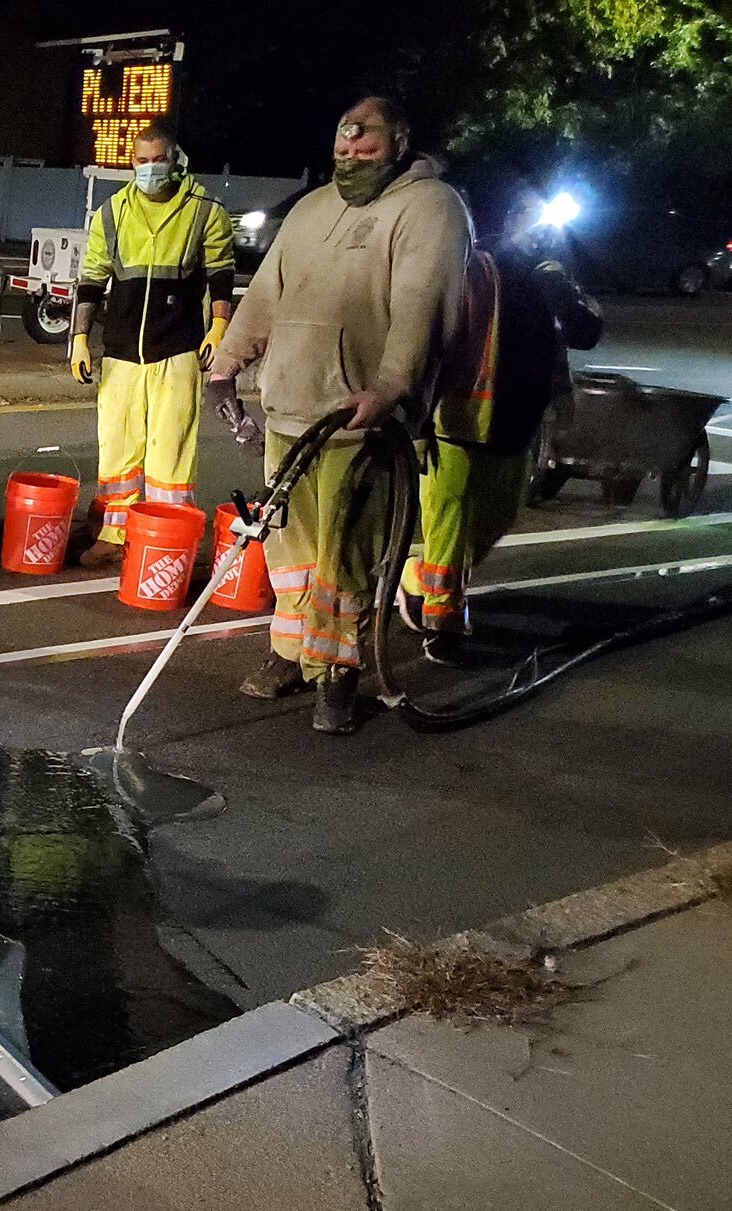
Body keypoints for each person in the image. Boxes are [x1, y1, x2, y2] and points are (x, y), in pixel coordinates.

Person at [207, 95, 472, 733]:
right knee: (290, 552)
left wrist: (389, 387)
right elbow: (266, 294)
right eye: (343, 140)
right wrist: (225, 366)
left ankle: (338, 673)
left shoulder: (429, 209)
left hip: (360, 421)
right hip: (291, 410)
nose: (351, 151)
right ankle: (291, 653)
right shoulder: (312, 208)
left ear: (400, 141)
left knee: (346, 558)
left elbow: (421, 304)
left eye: (367, 141)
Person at [404, 188, 603, 661]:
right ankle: (443, 623)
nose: (536, 228)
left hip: (518, 415)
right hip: (457, 416)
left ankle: (417, 578)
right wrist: (414, 416)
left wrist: (558, 284)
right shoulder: (468, 263)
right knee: (450, 522)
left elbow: (586, 334)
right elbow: (427, 335)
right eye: (525, 214)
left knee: (496, 518)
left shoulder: (549, 275)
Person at [66, 120, 237, 570]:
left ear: (174, 160)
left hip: (178, 350)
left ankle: (167, 538)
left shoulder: (204, 210)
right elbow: (91, 279)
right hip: (121, 352)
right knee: (118, 448)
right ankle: (113, 534)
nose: (148, 169)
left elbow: (221, 275)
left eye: (157, 161)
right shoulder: (113, 212)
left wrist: (220, 327)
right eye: (140, 162)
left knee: (171, 453)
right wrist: (80, 338)